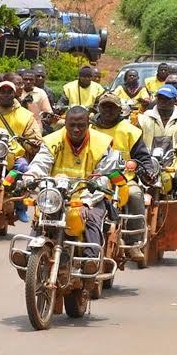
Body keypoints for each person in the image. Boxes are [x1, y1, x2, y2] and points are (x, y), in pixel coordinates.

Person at [22, 106, 115, 273]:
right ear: (65, 124)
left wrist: (86, 201)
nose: (76, 129)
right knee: (40, 216)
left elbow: (104, 176)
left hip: (90, 197)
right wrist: (30, 178)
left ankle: (90, 260)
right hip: (57, 195)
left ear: (88, 124)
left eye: (81, 125)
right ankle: (29, 256)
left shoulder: (101, 144)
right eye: (72, 125)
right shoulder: (52, 140)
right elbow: (40, 164)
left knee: (91, 218)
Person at [91, 93, 154, 260]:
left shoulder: (131, 131)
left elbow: (143, 157)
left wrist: (147, 170)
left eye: (112, 107)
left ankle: (133, 243)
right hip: (93, 177)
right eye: (104, 106)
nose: (108, 110)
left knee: (135, 194)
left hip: (122, 179)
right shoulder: (89, 128)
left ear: (120, 110)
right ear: (98, 108)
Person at [0, 81, 42, 222]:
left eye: (9, 92)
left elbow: (35, 138)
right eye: (2, 91)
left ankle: (20, 206)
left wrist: (31, 142)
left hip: (14, 156)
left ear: (14, 94)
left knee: (23, 169)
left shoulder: (26, 115)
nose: (5, 95)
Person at [138, 85, 177, 205]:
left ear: (175, 100)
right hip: (146, 163)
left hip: (174, 164)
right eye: (160, 98)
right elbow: (134, 139)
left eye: (167, 99)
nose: (163, 101)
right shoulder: (142, 119)